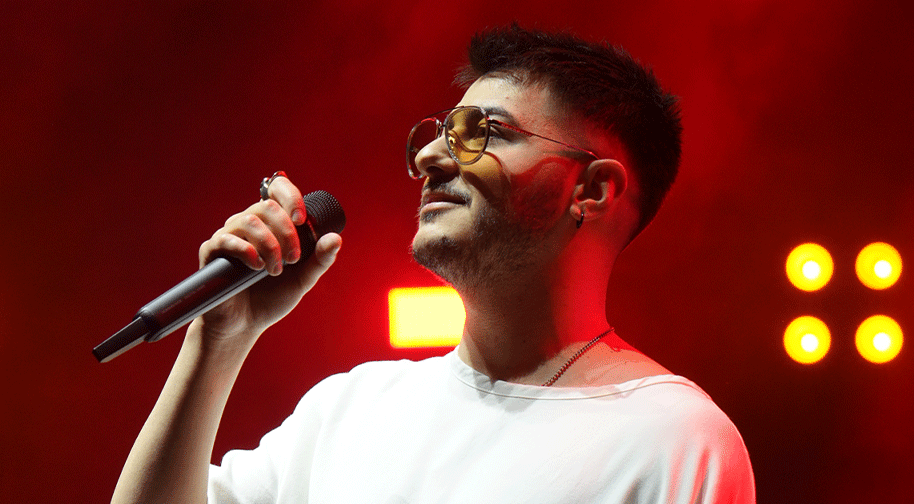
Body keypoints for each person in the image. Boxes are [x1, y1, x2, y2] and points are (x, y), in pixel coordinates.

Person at [112, 25, 755, 503]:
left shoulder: (674, 440)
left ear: (592, 189)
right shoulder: (350, 409)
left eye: (485, 133)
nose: (429, 159)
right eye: (441, 133)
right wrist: (218, 338)